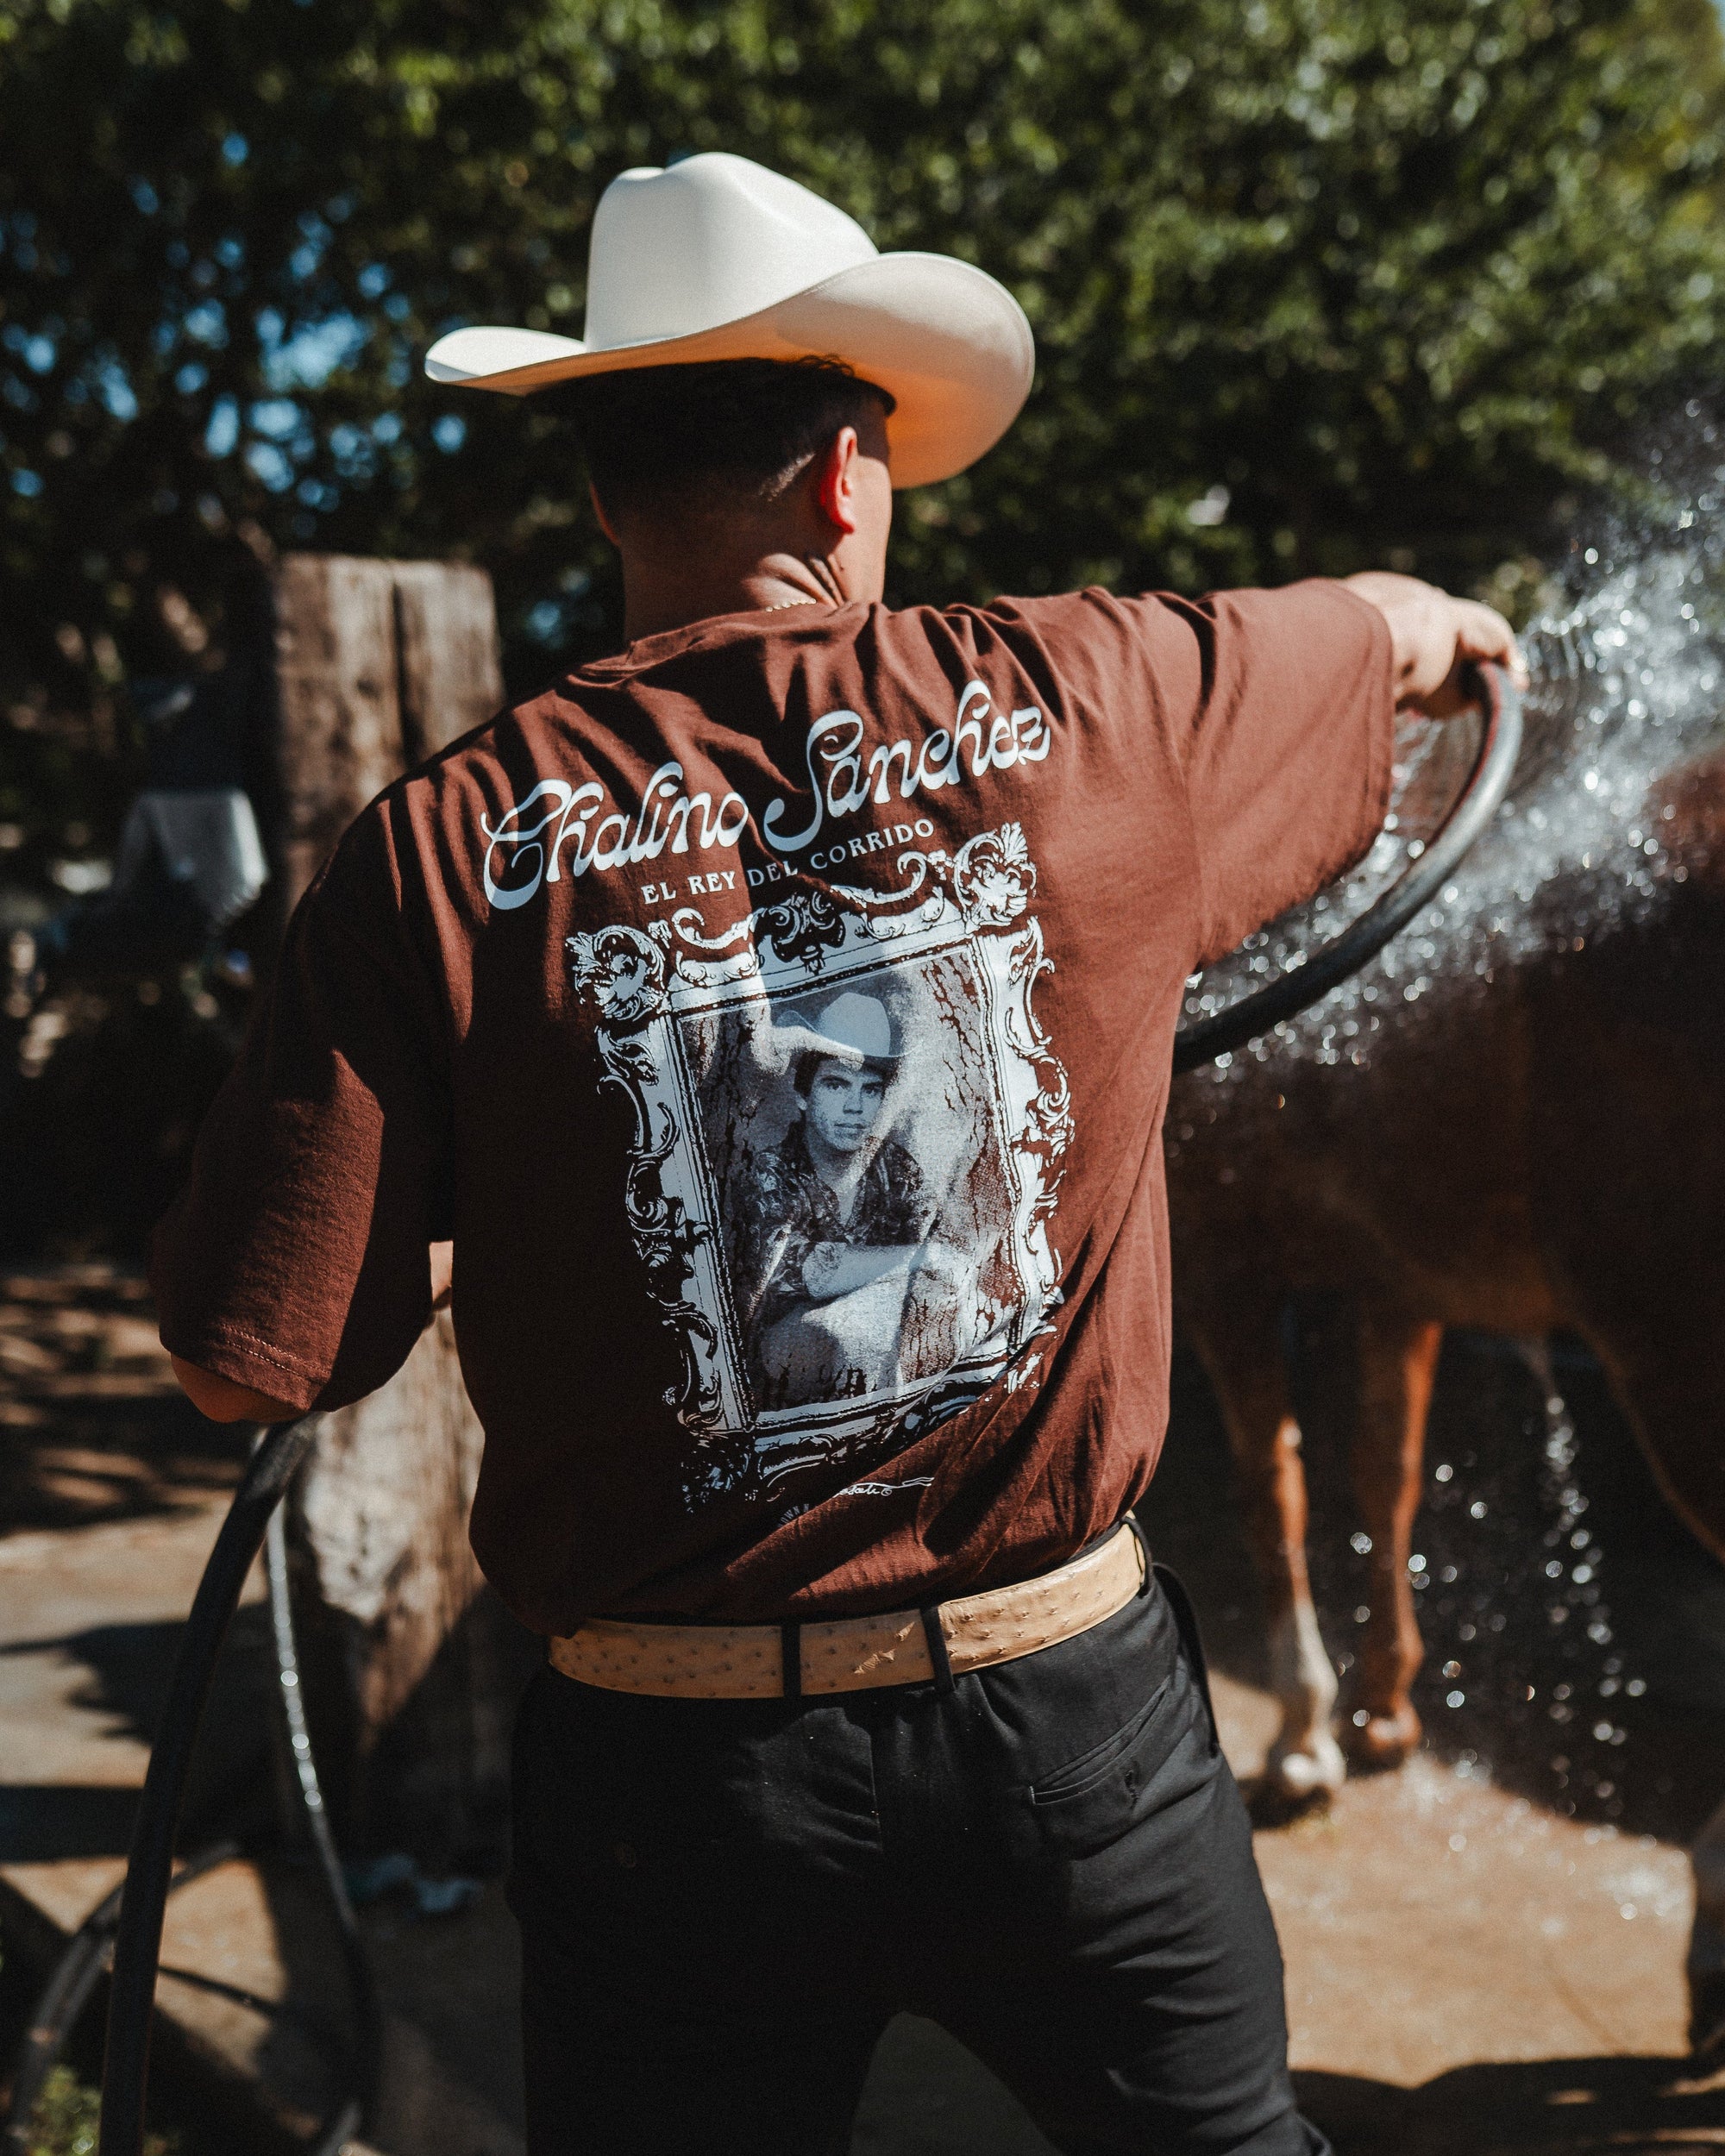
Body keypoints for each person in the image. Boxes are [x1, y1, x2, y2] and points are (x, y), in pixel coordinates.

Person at [155, 151, 1521, 2155]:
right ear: (844, 478)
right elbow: (1397, 635)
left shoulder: (433, 853)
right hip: (1073, 1721)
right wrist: (1458, 623)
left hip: (669, 1779)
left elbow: (236, 1362)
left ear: (606, 488)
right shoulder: (1105, 691)